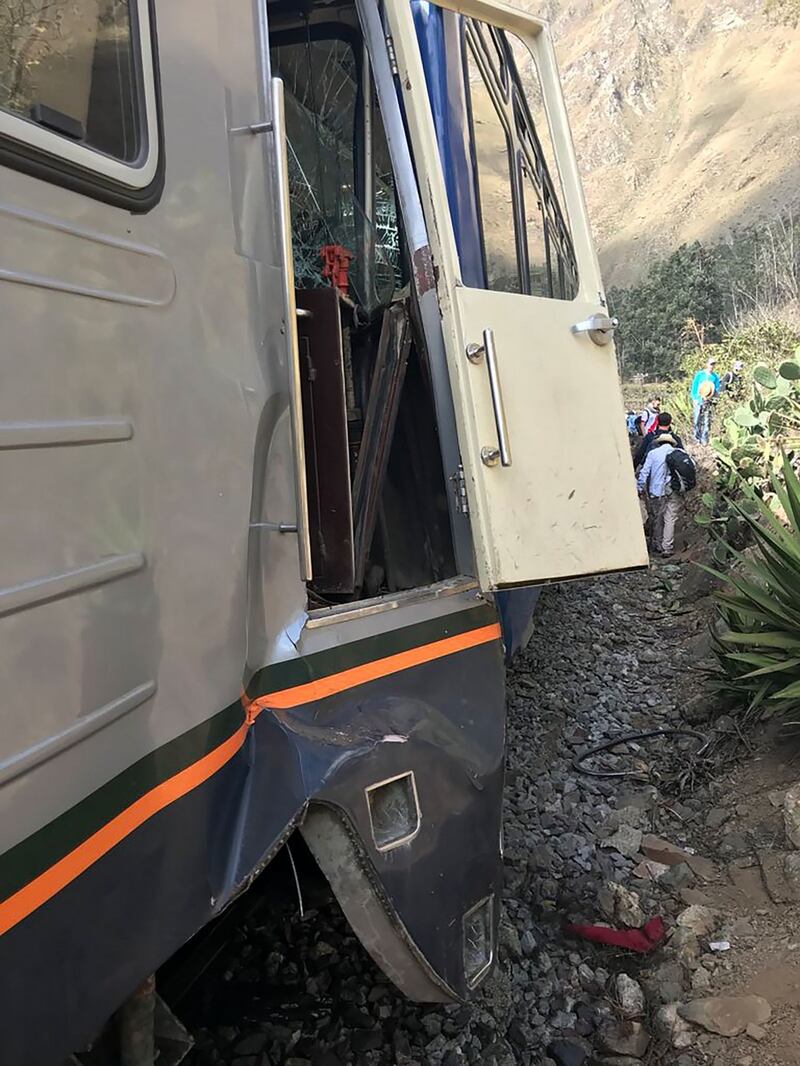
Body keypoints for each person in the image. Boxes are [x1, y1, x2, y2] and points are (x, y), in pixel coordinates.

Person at [637, 431, 680, 557]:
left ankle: (658, 545)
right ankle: (667, 547)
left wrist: (640, 487)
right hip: (673, 490)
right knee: (670, 518)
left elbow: (644, 472)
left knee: (657, 518)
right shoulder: (678, 453)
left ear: (659, 442)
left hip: (656, 491)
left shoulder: (653, 453)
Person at [690, 358, 720, 444]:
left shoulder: (715, 377)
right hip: (698, 399)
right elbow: (695, 386)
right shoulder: (700, 375)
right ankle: (696, 437)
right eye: (711, 364)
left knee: (707, 419)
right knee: (697, 418)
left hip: (709, 400)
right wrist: (695, 398)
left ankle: (704, 438)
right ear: (707, 364)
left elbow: (717, 389)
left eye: (713, 364)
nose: (712, 366)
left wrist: (713, 398)